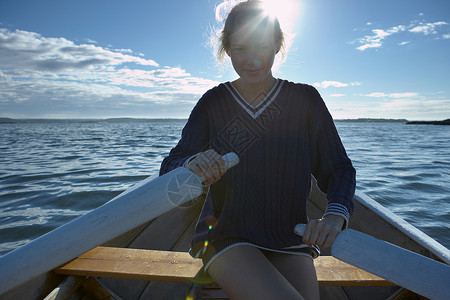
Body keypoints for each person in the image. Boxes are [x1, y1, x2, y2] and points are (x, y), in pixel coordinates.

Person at [159, 1, 356, 299]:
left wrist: (333, 217)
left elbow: (339, 168)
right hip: (227, 237)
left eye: (261, 47)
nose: (252, 60)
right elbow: (170, 165)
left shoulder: (306, 100)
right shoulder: (213, 102)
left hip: (291, 236)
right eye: (240, 50)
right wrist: (193, 164)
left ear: (277, 46)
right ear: (226, 50)